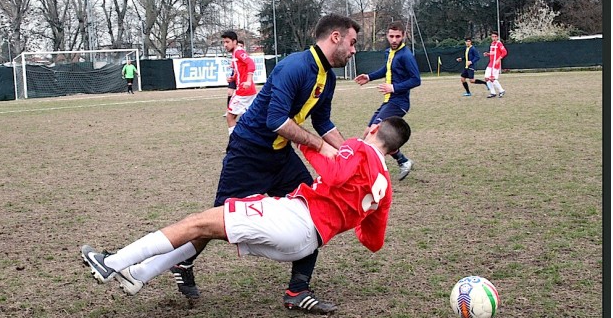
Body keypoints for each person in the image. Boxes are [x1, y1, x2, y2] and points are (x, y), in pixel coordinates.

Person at [81, 117, 411, 307]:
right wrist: (350, 218)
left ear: (375, 127)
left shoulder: (358, 147)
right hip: (306, 241)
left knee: (196, 223)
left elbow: (337, 173)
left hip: (294, 220)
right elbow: (374, 241)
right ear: (394, 151)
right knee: (206, 229)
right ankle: (137, 275)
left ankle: (111, 264)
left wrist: (307, 143)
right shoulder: (386, 187)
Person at [170, 13, 361, 314]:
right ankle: (182, 261)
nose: (353, 50)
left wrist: (354, 153)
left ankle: (298, 290)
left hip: (280, 156)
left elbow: (323, 121)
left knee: (315, 209)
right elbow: (276, 121)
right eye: (352, 43)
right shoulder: (294, 67)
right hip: (249, 151)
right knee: (216, 221)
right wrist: (322, 147)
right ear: (335, 37)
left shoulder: (329, 78)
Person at [354, 21, 421, 181]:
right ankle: (403, 161)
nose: (394, 40)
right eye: (391, 36)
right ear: (387, 36)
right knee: (368, 133)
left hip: (399, 103)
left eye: (398, 36)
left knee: (373, 135)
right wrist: (369, 77)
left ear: (404, 36)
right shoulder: (389, 53)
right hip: (389, 101)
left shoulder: (406, 55)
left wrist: (394, 88)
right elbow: (386, 69)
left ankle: (366, 174)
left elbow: (416, 80)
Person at [222, 32, 256, 135]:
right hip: (247, 91)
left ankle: (235, 145)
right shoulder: (235, 53)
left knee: (230, 116)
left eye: (227, 42)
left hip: (243, 91)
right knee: (250, 118)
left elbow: (251, 63)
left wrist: (249, 80)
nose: (225, 45)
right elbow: (240, 70)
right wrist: (232, 78)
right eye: (223, 42)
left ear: (235, 42)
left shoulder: (238, 52)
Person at [483, 31, 508, 98]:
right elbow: (493, 53)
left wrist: (498, 59)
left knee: (492, 78)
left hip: (495, 64)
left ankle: (501, 90)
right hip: (491, 63)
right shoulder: (492, 44)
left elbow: (504, 52)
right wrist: (488, 54)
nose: (493, 38)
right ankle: (493, 92)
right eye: (492, 37)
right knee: (486, 78)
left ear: (497, 37)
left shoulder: (499, 44)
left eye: (495, 37)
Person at [224, 40, 244, 117]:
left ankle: (244, 111)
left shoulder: (243, 56)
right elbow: (234, 64)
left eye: (241, 46)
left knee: (243, 95)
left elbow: (250, 65)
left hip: (242, 77)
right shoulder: (234, 54)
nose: (239, 47)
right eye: (238, 46)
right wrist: (232, 77)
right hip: (235, 75)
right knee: (230, 92)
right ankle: (228, 110)